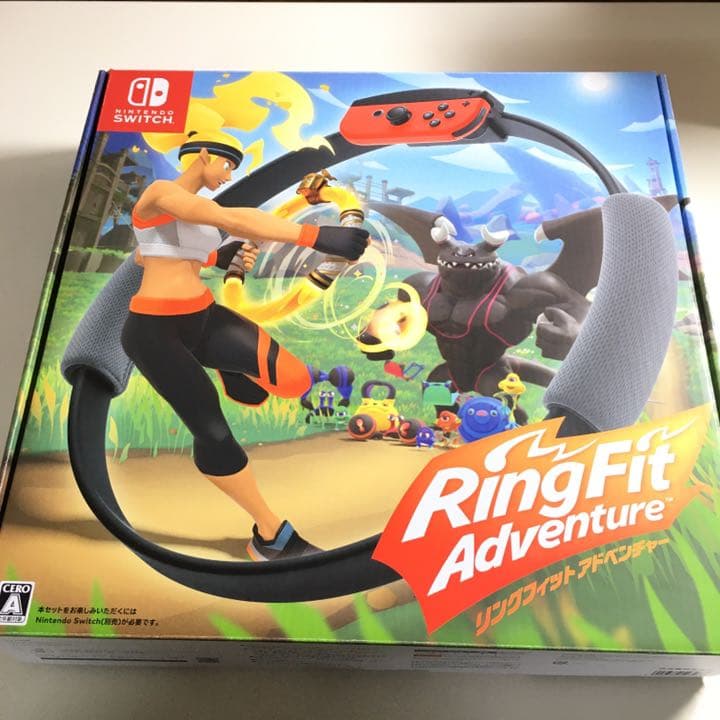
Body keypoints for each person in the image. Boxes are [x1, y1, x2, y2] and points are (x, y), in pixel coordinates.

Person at [120, 129, 369, 561]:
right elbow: (233, 218)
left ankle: (225, 364)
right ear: (202, 155)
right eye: (226, 165)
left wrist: (222, 258)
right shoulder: (161, 193)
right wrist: (316, 238)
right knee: (213, 432)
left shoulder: (191, 214)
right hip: (155, 332)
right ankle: (269, 534)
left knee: (293, 380)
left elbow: (156, 253)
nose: (228, 175)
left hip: (203, 317)